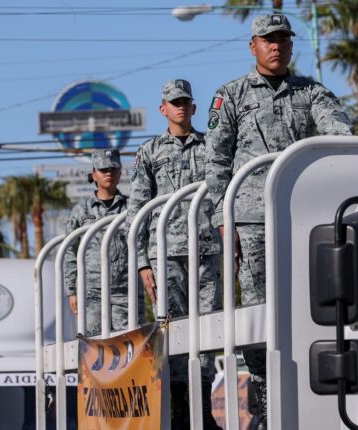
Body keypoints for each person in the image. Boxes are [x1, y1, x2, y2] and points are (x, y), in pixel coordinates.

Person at [204, 13, 353, 428]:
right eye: (268, 40)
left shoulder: (313, 93)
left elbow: (338, 135)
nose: (277, 46)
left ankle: (311, 392)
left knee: (311, 304)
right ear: (253, 46)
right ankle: (267, 398)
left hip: (304, 220)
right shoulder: (230, 96)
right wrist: (224, 219)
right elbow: (216, 163)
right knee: (258, 311)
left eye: (284, 40)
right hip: (251, 220)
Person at [127, 79, 222, 430]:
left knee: (209, 328)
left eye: (185, 101)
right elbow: (135, 213)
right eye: (173, 102)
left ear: (194, 108)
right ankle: (179, 409)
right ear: (162, 109)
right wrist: (141, 263)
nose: (180, 107)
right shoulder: (150, 151)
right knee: (172, 331)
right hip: (165, 256)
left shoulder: (212, 146)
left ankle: (202, 406)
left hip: (207, 251)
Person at [64, 149, 137, 337]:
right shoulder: (81, 211)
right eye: (103, 169)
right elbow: (71, 251)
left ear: (120, 173)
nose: (109, 174)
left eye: (113, 169)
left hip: (125, 288)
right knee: (93, 345)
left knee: (128, 342)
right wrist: (71, 290)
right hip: (91, 290)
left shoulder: (131, 208)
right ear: (93, 174)